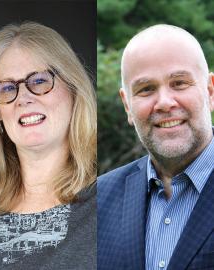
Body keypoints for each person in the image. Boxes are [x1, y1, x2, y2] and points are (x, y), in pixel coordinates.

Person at [0, 22, 96, 269]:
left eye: (40, 81)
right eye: (8, 88)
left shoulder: (107, 203)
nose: (24, 98)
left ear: (73, 89)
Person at [98, 24, 214, 270]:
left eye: (179, 83)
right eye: (146, 89)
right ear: (127, 105)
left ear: (210, 91)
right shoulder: (97, 201)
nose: (164, 102)